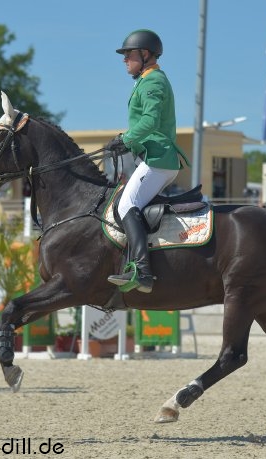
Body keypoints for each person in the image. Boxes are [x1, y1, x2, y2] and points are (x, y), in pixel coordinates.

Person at [105, 29, 189, 294]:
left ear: (145, 55)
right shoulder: (145, 80)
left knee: (126, 204)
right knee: (126, 203)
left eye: (128, 54)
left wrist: (126, 138)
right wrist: (125, 140)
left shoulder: (153, 82)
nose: (124, 60)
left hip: (159, 158)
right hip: (154, 157)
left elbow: (151, 121)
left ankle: (142, 271)